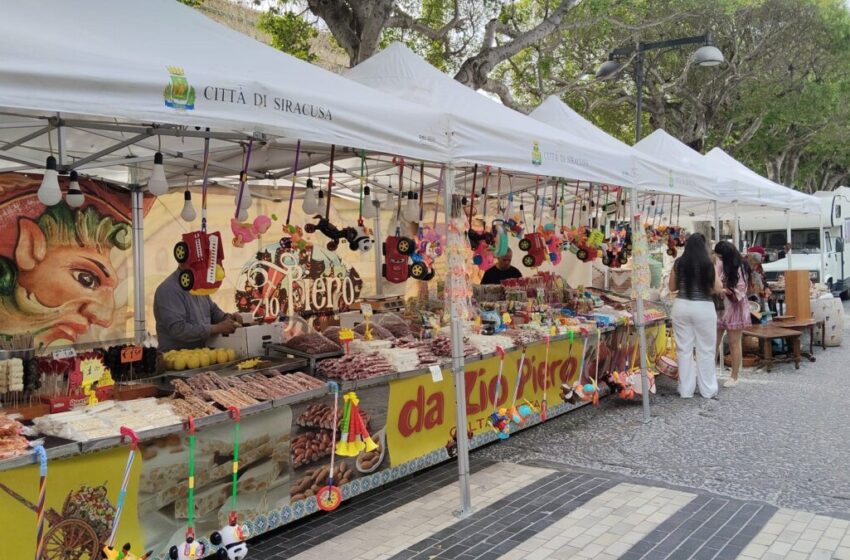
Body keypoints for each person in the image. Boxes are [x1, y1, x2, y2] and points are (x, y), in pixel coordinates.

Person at [667, 233, 722, 399]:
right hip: (704, 308)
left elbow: (672, 287)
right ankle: (708, 389)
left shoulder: (679, 263)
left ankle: (686, 389)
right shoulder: (708, 263)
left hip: (682, 306)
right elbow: (718, 288)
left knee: (684, 349)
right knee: (706, 349)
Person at [154, 264, 242, 352]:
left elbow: (213, 311)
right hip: (175, 358)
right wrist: (215, 328)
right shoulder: (169, 289)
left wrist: (229, 318)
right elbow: (178, 329)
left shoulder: (199, 286)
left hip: (202, 354)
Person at [714, 241, 751, 388]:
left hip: (735, 307)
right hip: (720, 306)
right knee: (714, 342)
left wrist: (724, 290)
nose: (719, 259)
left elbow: (741, 289)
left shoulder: (740, 266)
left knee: (734, 343)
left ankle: (734, 376)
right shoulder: (720, 264)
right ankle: (709, 374)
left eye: (721, 256)